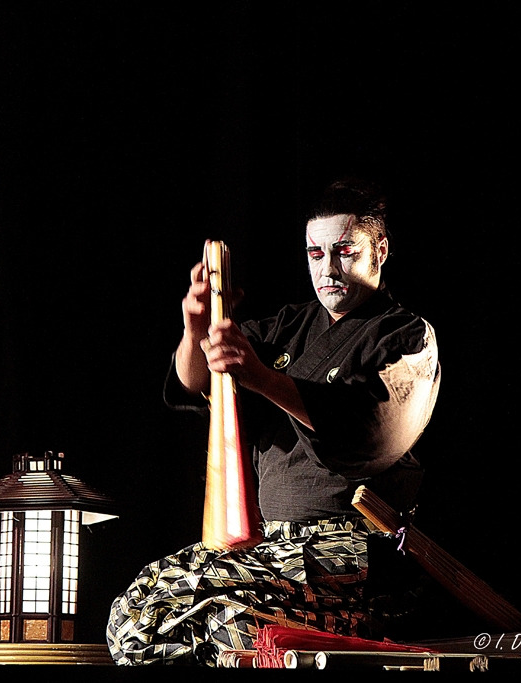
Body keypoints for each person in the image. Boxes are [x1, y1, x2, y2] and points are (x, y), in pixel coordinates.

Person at [106, 177, 441, 665]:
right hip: (272, 547)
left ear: (380, 249)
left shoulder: (406, 336)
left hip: (353, 553)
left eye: (345, 251)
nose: (328, 268)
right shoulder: (290, 326)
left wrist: (263, 379)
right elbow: (200, 382)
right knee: (136, 613)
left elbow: (372, 435)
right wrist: (196, 329)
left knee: (226, 624)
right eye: (315, 253)